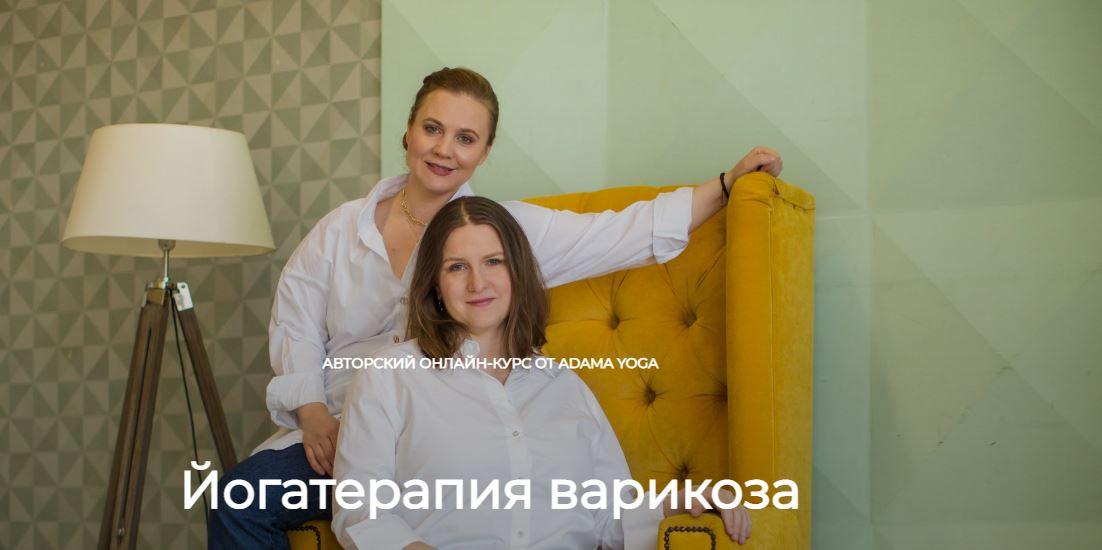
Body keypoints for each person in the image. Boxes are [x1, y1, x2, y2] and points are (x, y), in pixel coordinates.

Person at [207, 67, 780, 547]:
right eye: (432, 128)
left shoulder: (503, 231)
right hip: (337, 430)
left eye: (466, 138)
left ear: (484, 151)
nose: (444, 149)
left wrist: (725, 185)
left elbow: (616, 234)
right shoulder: (339, 230)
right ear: (408, 131)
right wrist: (313, 415)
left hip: (442, 428)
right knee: (240, 499)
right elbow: (297, 321)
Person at [332, 196, 751, 549]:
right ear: (434, 284)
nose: (478, 283)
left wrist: (681, 501)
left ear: (518, 273)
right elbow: (360, 509)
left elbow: (608, 519)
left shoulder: (566, 387)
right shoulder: (387, 378)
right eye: (457, 267)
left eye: (493, 261)